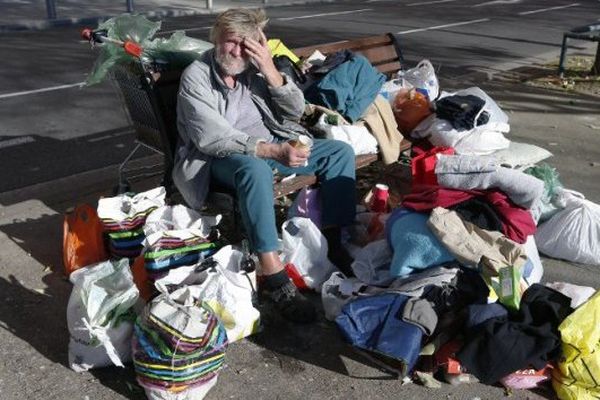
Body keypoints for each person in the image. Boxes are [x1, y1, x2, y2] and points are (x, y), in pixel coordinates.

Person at [173, 8, 357, 323]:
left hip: (274, 146)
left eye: (247, 45)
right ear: (217, 38)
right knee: (255, 169)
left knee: (339, 152)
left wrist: (271, 71)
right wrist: (270, 151)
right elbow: (210, 138)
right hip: (217, 159)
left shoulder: (254, 69)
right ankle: (274, 276)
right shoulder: (197, 75)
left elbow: (296, 113)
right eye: (231, 42)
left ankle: (334, 241)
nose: (237, 52)